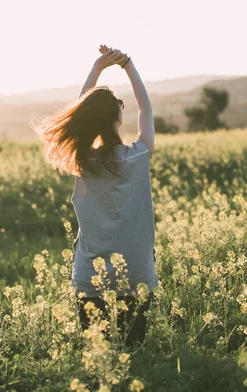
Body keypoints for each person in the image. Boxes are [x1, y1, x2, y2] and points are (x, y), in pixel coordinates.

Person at [31, 44, 158, 347]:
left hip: (91, 277)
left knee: (97, 356)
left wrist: (97, 68)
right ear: (118, 117)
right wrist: (127, 64)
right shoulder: (138, 155)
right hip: (136, 272)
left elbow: (82, 112)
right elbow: (146, 109)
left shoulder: (82, 160)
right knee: (134, 352)